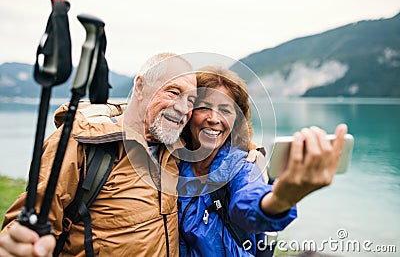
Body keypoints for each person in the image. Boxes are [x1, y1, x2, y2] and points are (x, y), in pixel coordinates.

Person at [0, 52, 198, 257]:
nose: (183, 108)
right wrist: (20, 246)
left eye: (191, 100)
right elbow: (29, 223)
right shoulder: (80, 142)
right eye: (173, 92)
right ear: (140, 87)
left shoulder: (176, 149)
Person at [177, 67, 348, 256]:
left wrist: (279, 200)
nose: (214, 119)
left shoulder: (244, 164)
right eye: (204, 107)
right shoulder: (171, 160)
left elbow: (248, 201)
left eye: (225, 110)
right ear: (189, 112)